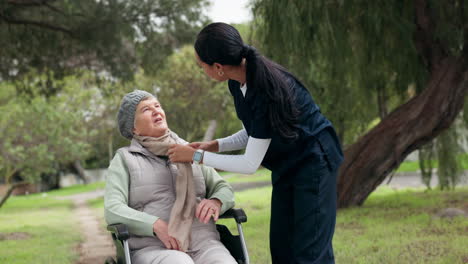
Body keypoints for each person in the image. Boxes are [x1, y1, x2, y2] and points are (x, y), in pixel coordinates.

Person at [168, 22, 344, 264]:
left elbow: (251, 163)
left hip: (314, 161)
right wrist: (214, 145)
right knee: (282, 247)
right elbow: (255, 131)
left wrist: (195, 157)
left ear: (218, 67)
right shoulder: (237, 81)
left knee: (309, 252)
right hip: (287, 165)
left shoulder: (265, 88)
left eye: (202, 67)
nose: (203, 71)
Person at [104, 90, 237, 264]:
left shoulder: (190, 151)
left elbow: (223, 188)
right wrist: (154, 225)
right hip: (152, 248)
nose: (156, 111)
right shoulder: (125, 159)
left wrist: (217, 201)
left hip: (205, 244)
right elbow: (113, 208)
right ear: (133, 128)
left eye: (157, 106)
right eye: (145, 109)